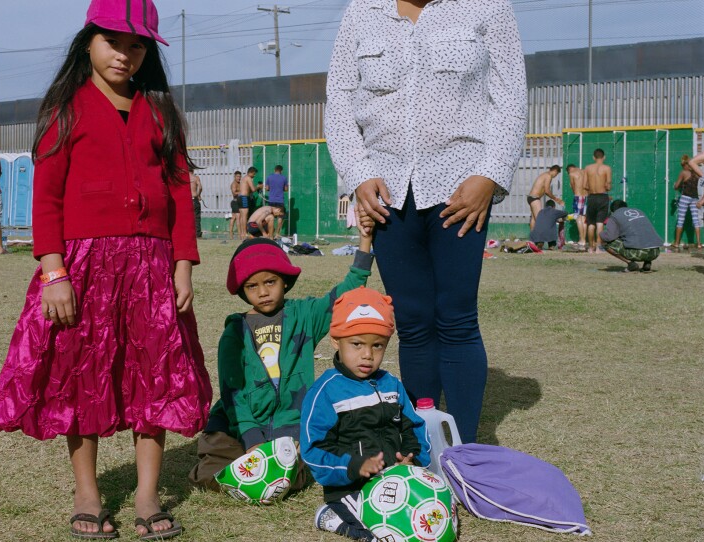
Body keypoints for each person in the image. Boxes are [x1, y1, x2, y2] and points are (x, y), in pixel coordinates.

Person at [0, 1, 212, 539]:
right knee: (82, 376)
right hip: (83, 264)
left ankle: (146, 496)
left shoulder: (159, 110)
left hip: (153, 264)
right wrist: (53, 272)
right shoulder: (64, 109)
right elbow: (46, 200)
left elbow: (180, 194)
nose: (125, 54)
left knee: (156, 375)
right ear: (87, 40)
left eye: (137, 45)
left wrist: (183, 264)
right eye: (113, 41)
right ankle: (87, 492)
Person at [326, 0, 527, 443]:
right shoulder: (361, 11)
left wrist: (490, 175)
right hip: (386, 189)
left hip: (461, 187)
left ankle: (466, 450)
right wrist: (358, 174)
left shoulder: (488, 7)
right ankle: (423, 444)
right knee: (414, 321)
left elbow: (510, 97)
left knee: (455, 318)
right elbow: (338, 100)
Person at [188, 221, 375, 493]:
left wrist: (365, 244)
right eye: (252, 286)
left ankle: (273, 470)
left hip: (290, 423)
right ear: (242, 290)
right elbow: (232, 392)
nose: (262, 292)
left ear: (285, 280)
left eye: (270, 282)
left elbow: (347, 293)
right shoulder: (234, 333)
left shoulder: (304, 316)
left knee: (301, 467)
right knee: (213, 469)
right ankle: (252, 470)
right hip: (239, 424)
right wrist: (251, 438)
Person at [301, 287, 430, 541]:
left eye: (377, 345)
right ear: (336, 341)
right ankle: (333, 517)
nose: (368, 355)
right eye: (357, 344)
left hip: (397, 480)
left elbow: (414, 427)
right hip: (350, 488)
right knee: (385, 532)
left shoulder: (392, 384)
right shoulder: (326, 392)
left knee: (428, 516)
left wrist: (412, 459)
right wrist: (355, 466)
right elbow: (314, 451)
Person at [600, 200, 662, 273]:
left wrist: (601, 233)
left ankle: (631, 264)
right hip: (655, 252)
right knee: (643, 237)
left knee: (605, 242)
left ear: (613, 210)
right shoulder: (639, 211)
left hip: (638, 253)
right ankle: (647, 263)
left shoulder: (615, 215)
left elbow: (609, 237)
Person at [583, 148, 613, 253]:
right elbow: (608, 185)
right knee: (600, 223)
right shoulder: (607, 168)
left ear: (593, 157)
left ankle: (591, 248)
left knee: (591, 223)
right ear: (604, 157)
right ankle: (599, 248)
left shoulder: (587, 168)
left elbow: (584, 185)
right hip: (603, 196)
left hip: (591, 197)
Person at [672, 154, 703, 249]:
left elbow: (676, 186)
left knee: (680, 220)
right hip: (695, 197)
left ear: (684, 164)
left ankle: (676, 243)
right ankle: (698, 243)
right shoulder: (696, 173)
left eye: (682, 165)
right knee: (696, 220)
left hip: (685, 197)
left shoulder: (683, 172)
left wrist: (677, 186)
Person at [527, 165, 563, 232]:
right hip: (535, 198)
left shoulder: (544, 175)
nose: (556, 176)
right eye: (557, 174)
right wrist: (556, 199)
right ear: (555, 171)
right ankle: (539, 238)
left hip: (530, 198)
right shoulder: (548, 176)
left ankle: (532, 238)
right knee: (539, 219)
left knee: (533, 219)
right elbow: (547, 190)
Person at [265, 165, 289, 238]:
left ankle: (270, 234)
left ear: (274, 170)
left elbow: (267, 188)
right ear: (281, 171)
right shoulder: (284, 178)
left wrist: (272, 188)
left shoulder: (269, 177)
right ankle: (277, 234)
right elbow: (286, 189)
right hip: (280, 200)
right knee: (280, 217)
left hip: (271, 200)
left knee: (271, 216)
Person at [567, 164, 588, 246]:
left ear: (569, 169)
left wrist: (575, 193)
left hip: (578, 196)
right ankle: (583, 239)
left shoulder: (572, 173)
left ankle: (582, 240)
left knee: (578, 218)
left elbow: (573, 186)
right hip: (586, 196)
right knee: (584, 219)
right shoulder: (585, 172)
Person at [238, 166, 257, 237]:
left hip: (240, 197)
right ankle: (245, 232)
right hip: (244, 198)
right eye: (254, 174)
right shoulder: (248, 178)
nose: (254, 176)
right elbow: (253, 189)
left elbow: (247, 189)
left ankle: (242, 233)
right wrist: (258, 186)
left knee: (242, 216)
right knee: (245, 216)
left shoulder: (244, 178)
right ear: (250, 172)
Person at [229, 171, 242, 239]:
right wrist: (242, 192)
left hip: (238, 202)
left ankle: (231, 234)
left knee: (233, 218)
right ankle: (240, 235)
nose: (239, 178)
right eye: (237, 176)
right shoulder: (234, 184)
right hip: (235, 202)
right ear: (234, 176)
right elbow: (234, 193)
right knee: (238, 218)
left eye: (240, 176)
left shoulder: (240, 183)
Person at [190, 169, 203, 238]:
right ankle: (197, 234)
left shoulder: (184, 178)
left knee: (187, 218)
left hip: (187, 200)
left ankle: (188, 233)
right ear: (193, 170)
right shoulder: (195, 178)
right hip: (194, 199)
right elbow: (200, 187)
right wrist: (198, 195)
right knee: (197, 217)